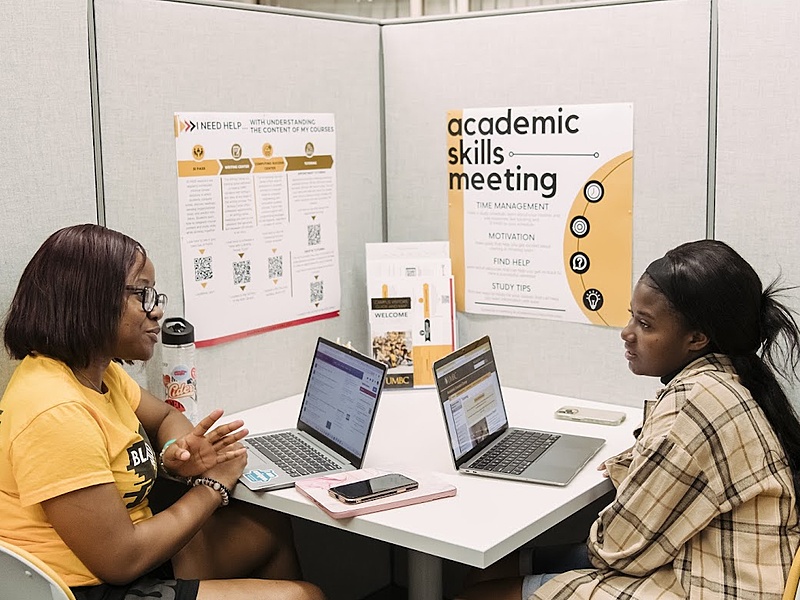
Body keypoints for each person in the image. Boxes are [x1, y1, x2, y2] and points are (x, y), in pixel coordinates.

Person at [458, 239, 800, 599]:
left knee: (478, 590)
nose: (627, 332)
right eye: (631, 315)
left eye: (645, 324)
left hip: (709, 585)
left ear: (697, 338)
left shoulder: (695, 402)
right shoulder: (730, 377)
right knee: (493, 570)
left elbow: (615, 547)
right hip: (732, 571)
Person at [0, 224, 325, 600]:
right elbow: (121, 559)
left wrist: (179, 448)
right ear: (91, 299)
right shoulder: (56, 411)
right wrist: (212, 486)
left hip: (124, 557)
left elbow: (166, 418)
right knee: (301, 596)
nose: (157, 310)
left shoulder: (98, 373)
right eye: (142, 294)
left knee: (269, 529)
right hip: (86, 586)